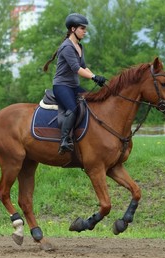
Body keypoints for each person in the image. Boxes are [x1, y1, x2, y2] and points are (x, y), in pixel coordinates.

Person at [43, 13, 106, 154]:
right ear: (73, 29)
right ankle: (64, 140)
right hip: (61, 86)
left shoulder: (79, 46)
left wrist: (97, 77)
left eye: (85, 28)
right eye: (82, 28)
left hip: (73, 86)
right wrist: (94, 77)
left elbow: (83, 67)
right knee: (73, 109)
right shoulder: (67, 47)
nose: (85, 31)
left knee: (91, 102)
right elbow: (76, 69)